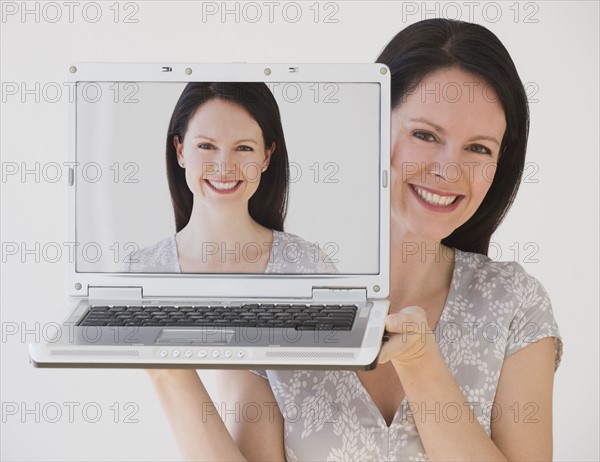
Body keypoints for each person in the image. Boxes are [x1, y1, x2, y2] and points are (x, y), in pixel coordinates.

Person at [147, 19, 562, 461]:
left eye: (478, 148)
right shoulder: (278, 286)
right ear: (373, 128)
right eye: (425, 135)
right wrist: (166, 370)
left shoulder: (515, 304)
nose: (450, 170)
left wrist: (421, 362)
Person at [120, 81, 336, 274]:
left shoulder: (309, 266)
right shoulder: (138, 271)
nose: (224, 167)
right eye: (206, 146)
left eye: (244, 148)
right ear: (180, 151)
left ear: (266, 156)